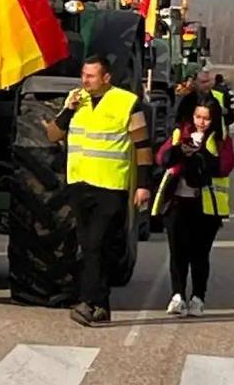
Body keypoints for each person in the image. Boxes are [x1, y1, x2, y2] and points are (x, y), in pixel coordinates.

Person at [46, 54, 153, 326]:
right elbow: (52, 135)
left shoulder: (126, 102)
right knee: (93, 247)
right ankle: (102, 306)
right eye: (83, 75)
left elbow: (142, 147)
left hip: (111, 186)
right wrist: (68, 109)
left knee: (95, 245)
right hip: (80, 184)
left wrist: (142, 185)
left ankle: (86, 301)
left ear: (106, 78)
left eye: (91, 76)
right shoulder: (75, 99)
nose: (85, 80)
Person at [153, 97, 234, 317]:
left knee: (200, 254)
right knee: (177, 253)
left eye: (207, 118)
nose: (201, 122)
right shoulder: (181, 133)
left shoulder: (221, 139)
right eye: (198, 117)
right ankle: (177, 295)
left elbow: (226, 165)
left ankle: (198, 297)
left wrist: (202, 158)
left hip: (206, 207)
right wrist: (180, 151)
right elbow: (161, 157)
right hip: (178, 202)